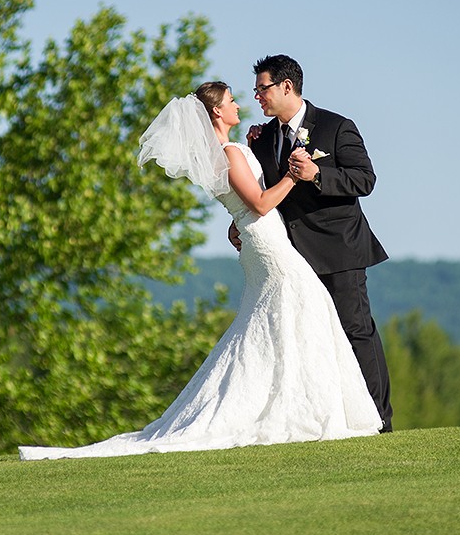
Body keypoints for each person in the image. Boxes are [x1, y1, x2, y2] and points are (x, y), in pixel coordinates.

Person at [19, 82, 381, 460]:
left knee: (281, 319)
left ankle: (299, 403)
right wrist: (294, 175)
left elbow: (243, 202)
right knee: (294, 309)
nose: (239, 104)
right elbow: (258, 203)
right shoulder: (228, 152)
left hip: (262, 238)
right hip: (269, 244)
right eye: (230, 102)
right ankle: (297, 408)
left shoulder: (232, 149)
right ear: (216, 114)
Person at [232, 55, 392, 432]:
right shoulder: (264, 137)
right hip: (292, 257)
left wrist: (318, 173)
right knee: (312, 339)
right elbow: (263, 194)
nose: (257, 96)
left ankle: (380, 421)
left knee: (356, 333)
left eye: (262, 88)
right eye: (256, 90)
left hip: (340, 250)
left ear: (287, 86)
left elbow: (364, 180)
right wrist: (238, 224)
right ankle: (332, 420)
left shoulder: (337, 127)